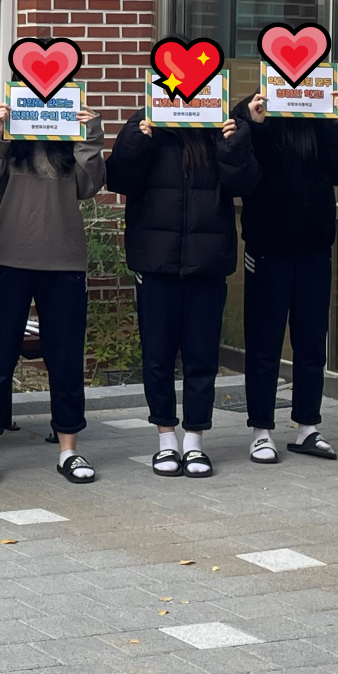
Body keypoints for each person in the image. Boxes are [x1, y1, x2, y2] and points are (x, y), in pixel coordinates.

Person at [104, 107, 258, 477]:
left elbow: (246, 185)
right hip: (156, 261)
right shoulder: (147, 122)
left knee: (201, 357)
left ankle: (194, 441)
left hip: (207, 260)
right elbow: (118, 179)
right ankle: (166, 440)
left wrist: (233, 144)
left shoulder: (220, 126)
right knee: (157, 356)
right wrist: (135, 140)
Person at [0, 99, 106, 485]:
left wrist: (89, 134)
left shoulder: (73, 125)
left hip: (64, 261)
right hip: (7, 257)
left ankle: (69, 450)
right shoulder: (1, 122)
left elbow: (89, 186)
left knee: (65, 359)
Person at [233, 87, 338, 464]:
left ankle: (308, 426)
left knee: (311, 343)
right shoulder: (254, 107)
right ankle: (261, 431)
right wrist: (255, 124)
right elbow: (245, 172)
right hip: (267, 247)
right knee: (264, 342)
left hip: (314, 246)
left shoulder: (319, 108)